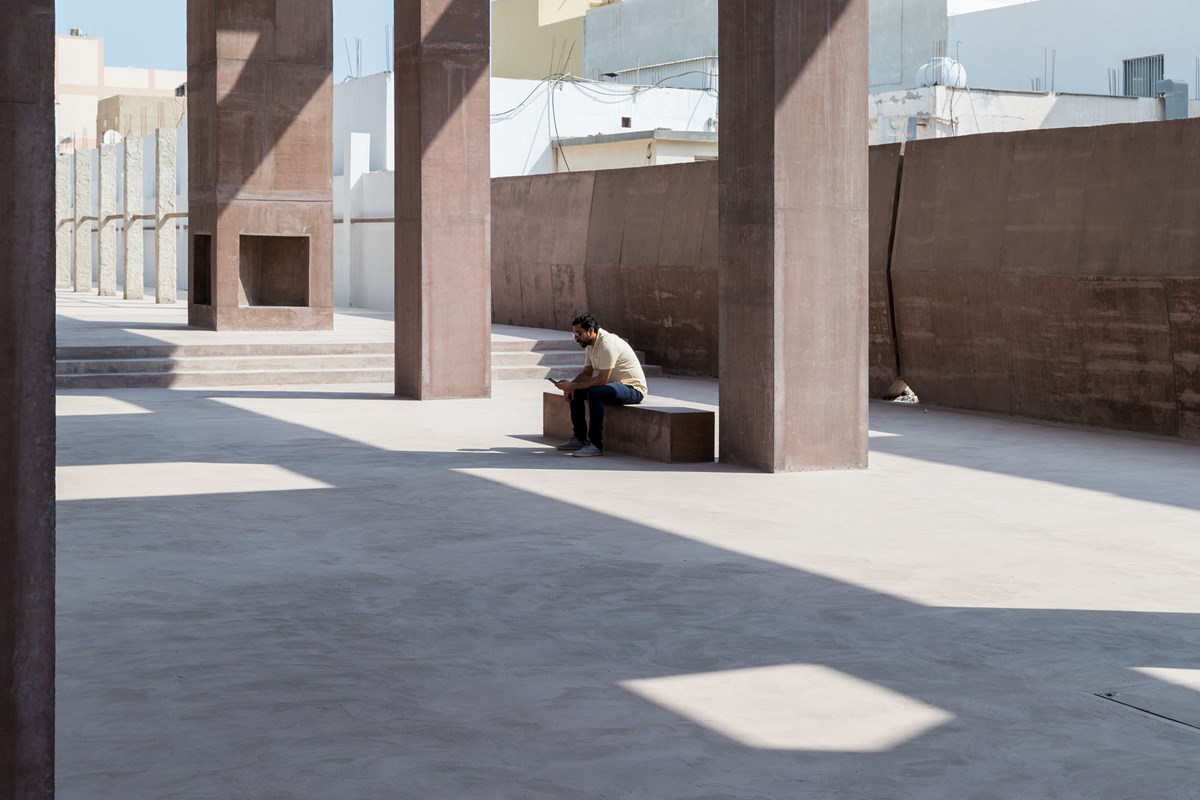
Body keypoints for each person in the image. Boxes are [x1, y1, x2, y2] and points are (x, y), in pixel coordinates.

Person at [551, 313, 648, 458]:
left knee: (595, 393)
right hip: (613, 387)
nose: (576, 337)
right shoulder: (590, 345)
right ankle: (579, 438)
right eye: (574, 334)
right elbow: (587, 373)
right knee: (576, 392)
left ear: (591, 330)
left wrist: (574, 385)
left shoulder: (607, 345)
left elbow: (601, 380)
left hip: (632, 389)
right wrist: (570, 386)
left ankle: (595, 444)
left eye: (579, 333)